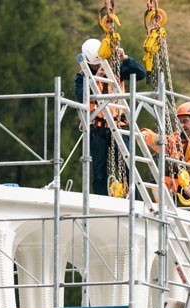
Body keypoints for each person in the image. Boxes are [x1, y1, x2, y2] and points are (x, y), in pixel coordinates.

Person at [74, 38, 146, 196]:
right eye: (95, 65)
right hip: (97, 129)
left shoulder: (116, 69)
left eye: (100, 63)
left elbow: (141, 73)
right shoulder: (82, 77)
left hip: (119, 125)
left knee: (127, 166)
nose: (99, 67)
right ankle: (101, 198)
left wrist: (125, 59)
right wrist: (96, 79)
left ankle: (133, 198)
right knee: (99, 171)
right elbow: (82, 97)